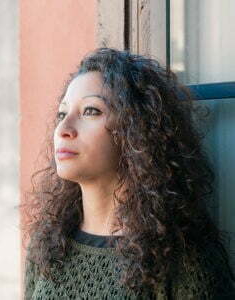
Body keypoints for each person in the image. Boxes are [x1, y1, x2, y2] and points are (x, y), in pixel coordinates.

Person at [21, 47, 235, 299]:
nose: (63, 129)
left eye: (91, 111)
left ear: (136, 132)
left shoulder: (183, 260)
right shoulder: (48, 245)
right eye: (61, 113)